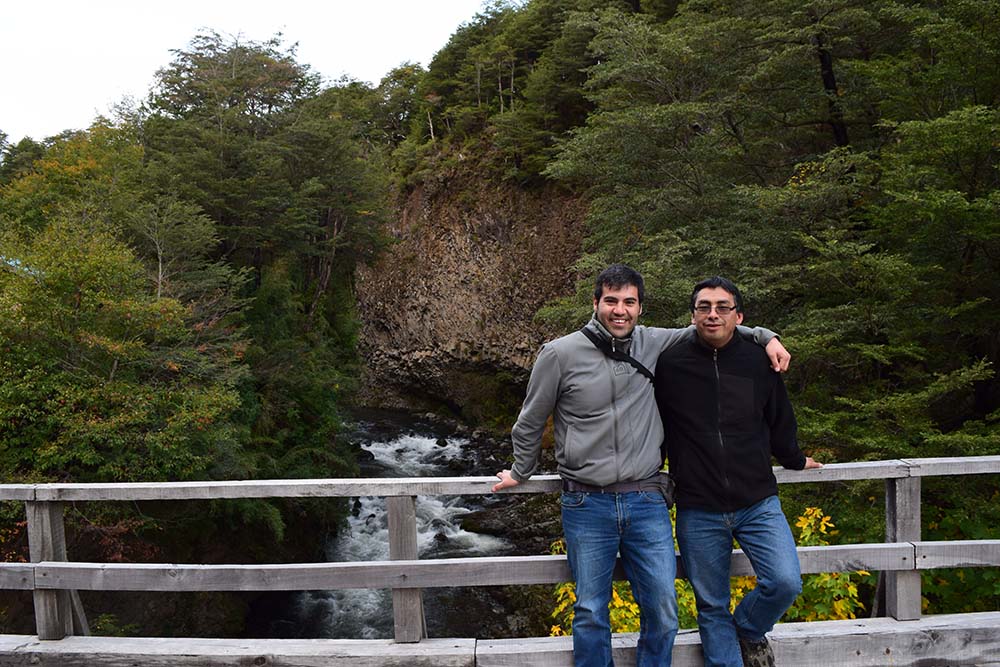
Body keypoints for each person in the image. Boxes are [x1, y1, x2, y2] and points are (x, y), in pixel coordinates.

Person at [492, 264, 789, 667]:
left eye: (629, 302)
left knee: (663, 609)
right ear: (595, 303)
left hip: (646, 499)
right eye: (611, 301)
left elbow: (715, 326)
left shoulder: (653, 342)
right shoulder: (559, 354)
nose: (620, 310)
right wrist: (521, 471)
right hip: (585, 502)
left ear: (640, 308)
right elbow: (530, 420)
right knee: (590, 610)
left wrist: (767, 337)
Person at [654, 276, 822, 667]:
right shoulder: (671, 364)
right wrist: (652, 471)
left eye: (722, 307)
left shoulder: (758, 360)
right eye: (704, 307)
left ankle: (747, 627)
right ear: (693, 315)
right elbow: (654, 424)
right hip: (698, 506)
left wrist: (795, 459)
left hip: (757, 501)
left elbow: (779, 417)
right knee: (711, 605)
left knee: (784, 582)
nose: (713, 315)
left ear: (739, 316)